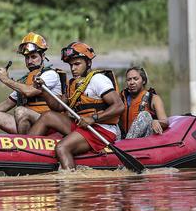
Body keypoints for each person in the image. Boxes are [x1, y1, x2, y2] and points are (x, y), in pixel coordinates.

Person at [28, 41, 125, 170]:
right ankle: (26, 151)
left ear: (88, 63)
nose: (73, 68)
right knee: (47, 116)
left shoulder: (98, 80)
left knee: (62, 148)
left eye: (77, 64)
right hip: (82, 126)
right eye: (71, 65)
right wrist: (44, 90)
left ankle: (71, 182)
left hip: (101, 129)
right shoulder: (74, 83)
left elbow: (119, 106)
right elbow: (57, 107)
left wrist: (93, 118)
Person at [0, 32, 66, 134]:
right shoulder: (23, 81)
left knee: (20, 111)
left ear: (43, 56)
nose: (29, 61)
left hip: (49, 126)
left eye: (33, 57)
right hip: (30, 127)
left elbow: (30, 92)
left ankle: (23, 146)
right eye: (27, 57)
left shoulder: (50, 74)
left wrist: (6, 79)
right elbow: (7, 104)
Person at [120, 66, 168, 138]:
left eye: (135, 79)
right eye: (129, 80)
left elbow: (165, 121)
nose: (132, 82)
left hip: (143, 141)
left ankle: (127, 144)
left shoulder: (154, 98)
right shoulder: (121, 97)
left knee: (145, 115)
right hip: (122, 139)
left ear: (144, 81)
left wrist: (156, 121)